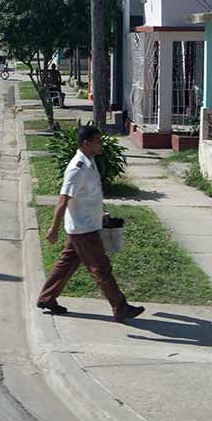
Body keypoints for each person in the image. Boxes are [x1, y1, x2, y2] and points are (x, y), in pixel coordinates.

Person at [37, 125, 144, 322]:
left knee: (67, 263)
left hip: (86, 223)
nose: (100, 144)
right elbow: (63, 200)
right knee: (101, 268)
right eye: (97, 141)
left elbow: (87, 195)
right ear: (87, 144)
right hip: (83, 228)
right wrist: (53, 229)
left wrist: (100, 213)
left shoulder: (89, 162)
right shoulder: (76, 169)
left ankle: (47, 297)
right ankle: (120, 308)